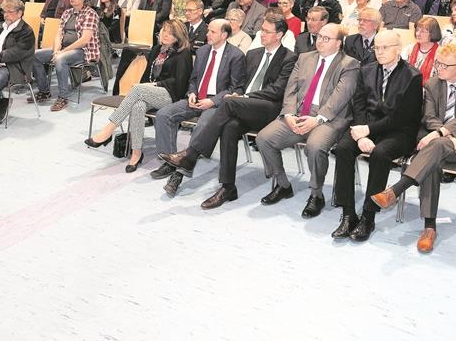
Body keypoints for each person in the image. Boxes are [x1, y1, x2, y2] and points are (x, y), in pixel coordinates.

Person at [159, 15, 298, 201]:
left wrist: (242, 97)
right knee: (229, 127)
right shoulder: (253, 54)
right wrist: (238, 96)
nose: (261, 33)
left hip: (268, 108)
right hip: (242, 106)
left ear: (279, 34)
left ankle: (190, 155)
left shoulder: (289, 57)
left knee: (227, 101)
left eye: (266, 31)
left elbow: (276, 90)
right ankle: (228, 187)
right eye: (261, 29)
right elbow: (239, 84)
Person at [371, 43, 456, 253]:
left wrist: (442, 134)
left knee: (435, 145)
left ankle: (396, 190)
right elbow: (429, 117)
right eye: (437, 63)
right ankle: (429, 228)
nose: (438, 68)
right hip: (438, 144)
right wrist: (443, 134)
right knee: (433, 157)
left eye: (444, 65)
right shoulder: (433, 83)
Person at [253, 24, 360, 215]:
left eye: (326, 38)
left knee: (315, 147)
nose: (320, 40)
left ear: (339, 43)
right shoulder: (304, 58)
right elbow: (291, 89)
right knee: (264, 138)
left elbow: (340, 97)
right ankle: (283, 184)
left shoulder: (349, 64)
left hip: (329, 118)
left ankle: (316, 194)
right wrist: (289, 114)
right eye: (319, 36)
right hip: (299, 113)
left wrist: (317, 119)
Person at [331, 30, 422, 239]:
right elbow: (359, 104)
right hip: (367, 127)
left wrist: (368, 131)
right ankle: (348, 214)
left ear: (398, 50)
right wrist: (362, 134)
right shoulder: (367, 69)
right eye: (377, 48)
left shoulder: (413, 76)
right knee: (344, 148)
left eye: (384, 48)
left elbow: (402, 117)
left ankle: (368, 216)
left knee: (380, 154)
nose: (379, 52)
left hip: (398, 132)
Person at [88, 21, 194, 172]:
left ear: (178, 37)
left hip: (171, 95)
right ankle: (136, 153)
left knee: (138, 89)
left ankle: (109, 129)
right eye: (164, 30)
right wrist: (146, 87)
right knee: (138, 106)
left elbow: (180, 83)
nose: (164, 34)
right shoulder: (157, 49)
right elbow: (147, 76)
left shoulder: (183, 54)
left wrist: (152, 86)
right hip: (151, 93)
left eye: (170, 33)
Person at [149, 19, 246, 182]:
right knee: (164, 114)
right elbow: (193, 79)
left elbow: (236, 89)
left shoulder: (236, 55)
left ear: (224, 35)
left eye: (212, 32)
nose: (207, 34)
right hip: (196, 98)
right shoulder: (202, 52)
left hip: (217, 104)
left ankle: (182, 168)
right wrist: (192, 93)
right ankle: (170, 162)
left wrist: (213, 101)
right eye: (208, 30)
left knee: (203, 125)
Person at [31, 0, 101, 112]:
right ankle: (44, 91)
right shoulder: (67, 12)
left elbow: (84, 40)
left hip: (84, 51)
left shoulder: (90, 13)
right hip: (63, 49)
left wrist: (61, 52)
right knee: (34, 55)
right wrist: (57, 49)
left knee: (61, 59)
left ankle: (63, 97)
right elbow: (59, 34)